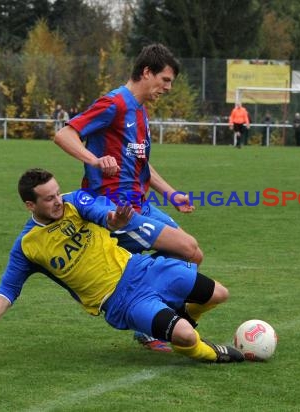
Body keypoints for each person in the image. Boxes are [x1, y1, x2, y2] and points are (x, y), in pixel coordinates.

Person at [0, 169, 244, 364]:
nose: (58, 200)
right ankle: (202, 351)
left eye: (57, 192)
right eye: (48, 198)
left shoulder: (75, 202)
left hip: (142, 268)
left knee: (220, 294)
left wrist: (116, 221)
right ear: (29, 205)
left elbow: (103, 215)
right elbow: (9, 287)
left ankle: (180, 321)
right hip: (120, 301)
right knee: (185, 335)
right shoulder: (27, 246)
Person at [54, 43, 203, 351]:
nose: (168, 88)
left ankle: (151, 317)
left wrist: (170, 192)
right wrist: (94, 160)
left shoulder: (140, 112)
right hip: (115, 210)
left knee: (193, 255)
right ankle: (150, 324)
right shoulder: (114, 104)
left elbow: (141, 163)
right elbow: (64, 134)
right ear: (146, 72)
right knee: (187, 249)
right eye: (165, 80)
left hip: (142, 205)